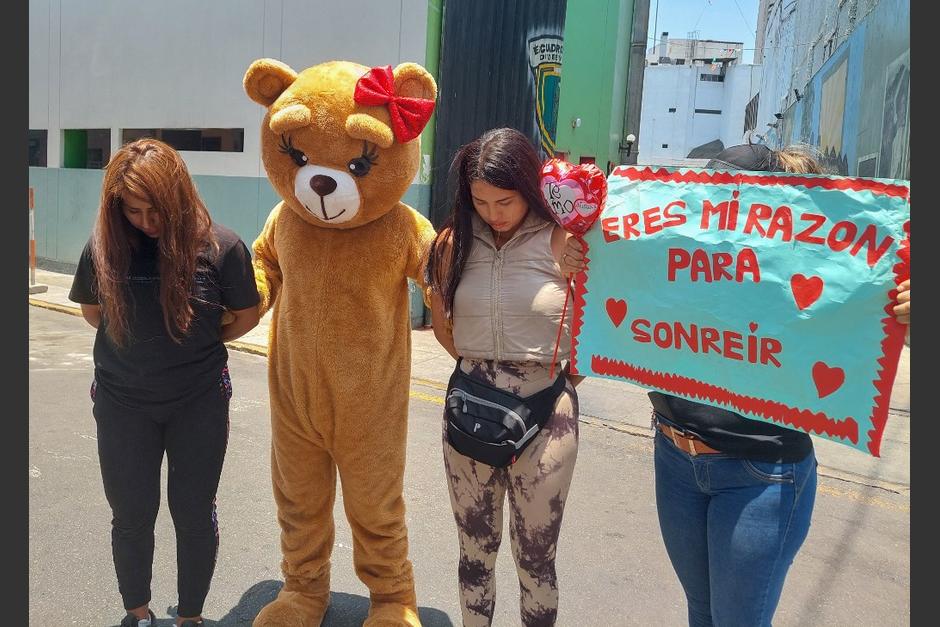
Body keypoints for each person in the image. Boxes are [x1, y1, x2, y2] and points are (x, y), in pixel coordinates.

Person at [563, 142, 911, 626]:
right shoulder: (686, 245)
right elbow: (627, 291)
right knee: (702, 614)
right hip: (675, 458)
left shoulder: (800, 261)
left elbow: (855, 314)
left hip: (760, 474)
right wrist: (581, 263)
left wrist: (903, 313)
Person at [68, 139, 261, 627]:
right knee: (131, 514)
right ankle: (137, 611)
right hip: (121, 402)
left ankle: (190, 616)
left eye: (157, 209)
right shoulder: (104, 249)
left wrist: (192, 339)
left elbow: (246, 316)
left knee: (194, 512)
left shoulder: (221, 246)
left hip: (198, 400)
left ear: (179, 194)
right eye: (133, 210)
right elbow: (96, 314)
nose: (147, 222)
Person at [424, 127, 584, 626]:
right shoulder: (454, 241)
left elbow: (589, 331)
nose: (494, 213)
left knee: (536, 558)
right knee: (475, 554)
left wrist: (550, 374)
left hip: (547, 413)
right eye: (481, 200)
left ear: (530, 189)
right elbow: (443, 328)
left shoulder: (564, 241)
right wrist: (480, 365)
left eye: (506, 201)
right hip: (470, 408)